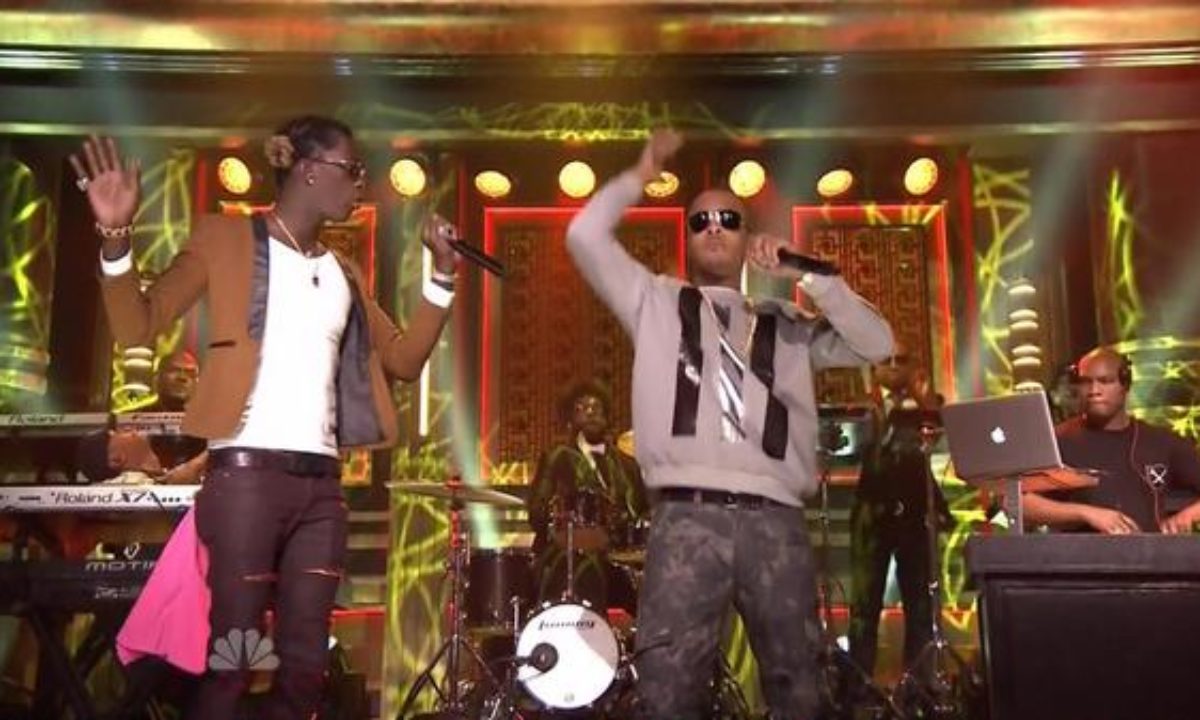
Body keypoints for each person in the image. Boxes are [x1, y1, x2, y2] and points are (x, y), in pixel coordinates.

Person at [70, 115, 459, 719]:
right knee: (234, 657)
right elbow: (137, 325)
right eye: (351, 169)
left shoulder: (343, 272)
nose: (361, 182)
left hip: (321, 488)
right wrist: (116, 237)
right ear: (309, 170)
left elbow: (404, 360)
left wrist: (442, 276)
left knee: (305, 668)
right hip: (247, 479)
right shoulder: (224, 239)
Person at [565, 130, 894, 719]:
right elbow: (583, 235)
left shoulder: (787, 320)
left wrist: (808, 273)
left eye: (729, 220)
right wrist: (640, 173)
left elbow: (878, 343)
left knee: (801, 688)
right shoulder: (654, 300)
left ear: (748, 239)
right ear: (687, 237)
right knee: (666, 693)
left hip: (775, 520)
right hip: (686, 518)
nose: (714, 228)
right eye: (701, 221)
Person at [847, 348, 950, 685]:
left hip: (915, 514)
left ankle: (919, 687)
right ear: (873, 368)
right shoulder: (862, 406)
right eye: (885, 361)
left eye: (901, 361)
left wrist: (920, 396)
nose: (893, 368)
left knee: (920, 606)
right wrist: (872, 410)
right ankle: (858, 688)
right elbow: (849, 448)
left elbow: (940, 433)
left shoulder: (928, 405)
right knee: (864, 607)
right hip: (871, 515)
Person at [1022, 347, 1200, 534]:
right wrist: (1085, 513)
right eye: (1085, 382)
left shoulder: (1161, 441)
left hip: (1150, 551)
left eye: (1105, 381)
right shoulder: (1057, 440)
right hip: (1079, 552)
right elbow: (1018, 501)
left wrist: (1187, 517)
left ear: (1125, 384)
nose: (1094, 390)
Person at [527, 379, 647, 614]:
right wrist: (558, 521)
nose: (591, 413)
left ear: (607, 417)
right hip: (566, 557)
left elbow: (645, 512)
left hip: (620, 561)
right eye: (582, 408)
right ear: (570, 419)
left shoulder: (628, 466)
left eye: (597, 408)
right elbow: (536, 513)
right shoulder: (556, 459)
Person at [76, 426, 207, 485]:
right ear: (117, 459)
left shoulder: (166, 478)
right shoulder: (134, 487)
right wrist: (197, 465)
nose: (126, 428)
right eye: (116, 433)